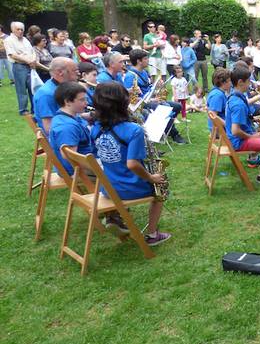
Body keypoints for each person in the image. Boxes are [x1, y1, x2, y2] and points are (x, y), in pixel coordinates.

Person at [90, 82, 172, 246]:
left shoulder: (96, 127)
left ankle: (114, 216)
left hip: (108, 188)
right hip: (129, 187)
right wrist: (151, 178)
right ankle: (152, 234)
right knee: (161, 188)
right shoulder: (133, 130)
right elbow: (133, 164)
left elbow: (98, 155)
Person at [126, 49, 186, 144]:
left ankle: (166, 130)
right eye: (145, 59)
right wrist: (152, 99)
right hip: (141, 104)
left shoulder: (144, 72)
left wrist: (157, 87)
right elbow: (131, 98)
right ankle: (174, 134)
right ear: (138, 61)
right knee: (166, 107)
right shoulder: (130, 76)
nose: (148, 60)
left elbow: (149, 88)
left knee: (177, 106)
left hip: (150, 99)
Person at [49, 82, 94, 175]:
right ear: (68, 102)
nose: (86, 102)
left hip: (87, 162)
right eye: (82, 100)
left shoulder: (66, 114)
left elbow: (80, 118)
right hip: (78, 171)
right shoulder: (67, 127)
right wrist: (102, 166)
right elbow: (70, 157)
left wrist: (93, 115)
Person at [33, 57, 79, 135]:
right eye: (74, 71)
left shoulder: (60, 87)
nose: (78, 73)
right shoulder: (46, 94)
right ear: (60, 72)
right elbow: (49, 128)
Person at [6, 22, 39, 115]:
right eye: (18, 29)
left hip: (30, 66)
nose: (20, 31)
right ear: (12, 29)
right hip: (19, 66)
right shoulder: (9, 40)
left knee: (33, 88)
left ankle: (34, 108)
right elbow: (13, 55)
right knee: (21, 89)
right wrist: (28, 61)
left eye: (22, 29)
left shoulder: (25, 39)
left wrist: (33, 60)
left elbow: (33, 51)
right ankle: (23, 110)